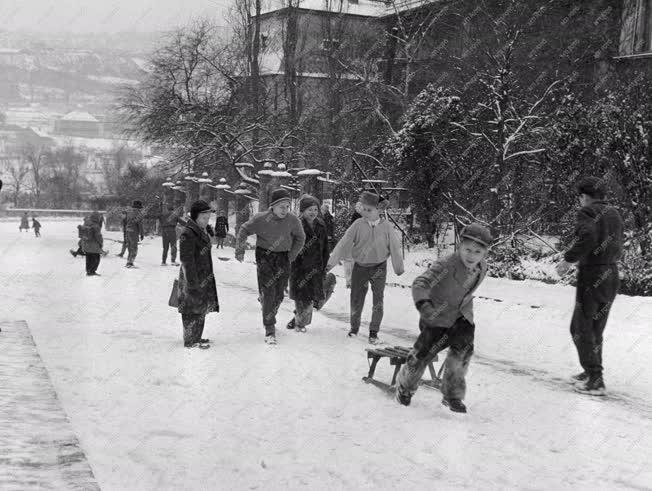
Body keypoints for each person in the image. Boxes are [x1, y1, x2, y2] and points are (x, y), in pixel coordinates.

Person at [395, 223, 491, 414]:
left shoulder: (482, 267)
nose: (471, 255)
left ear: (485, 253)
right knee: (422, 355)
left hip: (462, 316)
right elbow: (421, 282)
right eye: (467, 250)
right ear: (459, 246)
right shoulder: (446, 264)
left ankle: (453, 395)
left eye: (477, 251)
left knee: (462, 354)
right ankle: (404, 388)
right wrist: (424, 305)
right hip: (436, 317)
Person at [555, 177, 624, 396]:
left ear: (584, 197)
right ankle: (592, 371)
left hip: (592, 273)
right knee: (595, 328)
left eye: (581, 198)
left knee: (579, 328)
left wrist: (568, 259)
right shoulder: (614, 213)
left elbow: (588, 236)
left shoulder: (587, 212)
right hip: (611, 273)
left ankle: (595, 378)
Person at [327, 191, 404, 344]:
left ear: (379, 210)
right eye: (364, 209)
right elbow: (344, 243)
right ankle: (354, 328)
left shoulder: (387, 227)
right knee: (356, 298)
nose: (366, 213)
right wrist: (330, 263)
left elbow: (395, 247)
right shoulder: (358, 225)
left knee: (378, 300)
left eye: (370, 210)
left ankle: (374, 331)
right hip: (360, 267)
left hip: (379, 267)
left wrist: (398, 267)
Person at [235, 188, 306, 344]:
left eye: (287, 206)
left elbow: (300, 238)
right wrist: (240, 249)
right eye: (281, 207)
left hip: (283, 257)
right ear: (272, 206)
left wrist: (292, 255)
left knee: (279, 294)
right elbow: (244, 229)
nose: (285, 210)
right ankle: (269, 328)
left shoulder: (293, 220)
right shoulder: (261, 219)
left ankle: (268, 309)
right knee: (269, 292)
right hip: (265, 256)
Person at [178, 200, 219, 349]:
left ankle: (197, 337)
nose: (206, 221)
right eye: (203, 218)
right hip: (192, 277)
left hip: (203, 276)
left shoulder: (200, 230)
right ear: (195, 217)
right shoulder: (188, 233)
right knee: (190, 309)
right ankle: (190, 340)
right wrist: (192, 282)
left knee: (200, 307)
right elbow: (186, 260)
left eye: (208, 218)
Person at [286, 195, 330, 333]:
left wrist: (324, 265)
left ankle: (299, 319)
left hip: (316, 267)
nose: (313, 212)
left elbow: (325, 248)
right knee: (301, 297)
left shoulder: (321, 225)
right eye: (309, 209)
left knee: (310, 298)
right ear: (303, 211)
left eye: (315, 209)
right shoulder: (296, 225)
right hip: (299, 268)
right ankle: (300, 324)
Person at [341, 201, 364, 288]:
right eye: (358, 207)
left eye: (361, 207)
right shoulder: (357, 217)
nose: (360, 209)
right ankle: (350, 281)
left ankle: (352, 281)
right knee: (349, 262)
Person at [125, 200, 145, 268]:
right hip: (134, 231)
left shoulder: (129, 212)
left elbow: (126, 221)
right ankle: (130, 263)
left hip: (127, 231)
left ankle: (128, 261)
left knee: (130, 247)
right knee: (134, 248)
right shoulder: (139, 213)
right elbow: (140, 224)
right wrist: (142, 234)